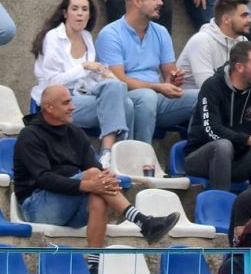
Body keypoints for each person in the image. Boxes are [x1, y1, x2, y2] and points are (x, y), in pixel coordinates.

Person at [14, 85, 178, 260]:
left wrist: (107, 179)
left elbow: (96, 169)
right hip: (36, 206)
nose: (73, 107)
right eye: (66, 103)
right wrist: (88, 183)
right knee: (92, 177)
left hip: (68, 207)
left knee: (98, 191)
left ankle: (94, 263)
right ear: (48, 107)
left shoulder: (75, 133)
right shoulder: (30, 135)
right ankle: (142, 221)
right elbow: (44, 179)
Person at [29, 0, 131, 167]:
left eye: (85, 9)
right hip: (58, 101)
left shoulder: (87, 37)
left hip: (82, 95)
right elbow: (52, 82)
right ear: (65, 13)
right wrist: (83, 67)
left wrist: (103, 75)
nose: (80, 13)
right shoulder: (53, 37)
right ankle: (110, 155)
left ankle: (112, 154)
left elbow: (88, 80)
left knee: (121, 96)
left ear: (89, 14)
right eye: (75, 9)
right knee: (123, 105)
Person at [94, 0, 196, 143]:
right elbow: (118, 80)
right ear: (137, 2)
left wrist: (174, 80)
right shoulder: (110, 34)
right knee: (146, 97)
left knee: (202, 97)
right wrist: (157, 87)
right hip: (126, 101)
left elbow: (170, 75)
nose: (161, 2)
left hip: (157, 99)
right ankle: (141, 159)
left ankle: (196, 156)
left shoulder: (161, 32)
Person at [184, 41, 251, 192]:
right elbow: (213, 130)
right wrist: (250, 140)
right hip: (202, 159)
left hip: (239, 161)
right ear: (239, 67)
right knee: (223, 146)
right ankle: (221, 205)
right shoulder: (212, 86)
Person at [176, 0, 251, 90]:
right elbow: (206, 87)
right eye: (244, 16)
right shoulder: (201, 40)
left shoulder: (242, 41)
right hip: (191, 100)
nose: (250, 20)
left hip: (221, 97)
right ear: (226, 19)